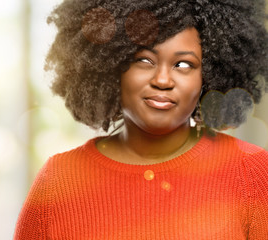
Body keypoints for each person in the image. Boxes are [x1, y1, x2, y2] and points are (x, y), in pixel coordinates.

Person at [14, 0, 268, 239]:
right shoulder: (58, 180)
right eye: (144, 60)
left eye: (183, 65)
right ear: (111, 64)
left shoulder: (252, 173)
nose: (162, 80)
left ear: (209, 75)